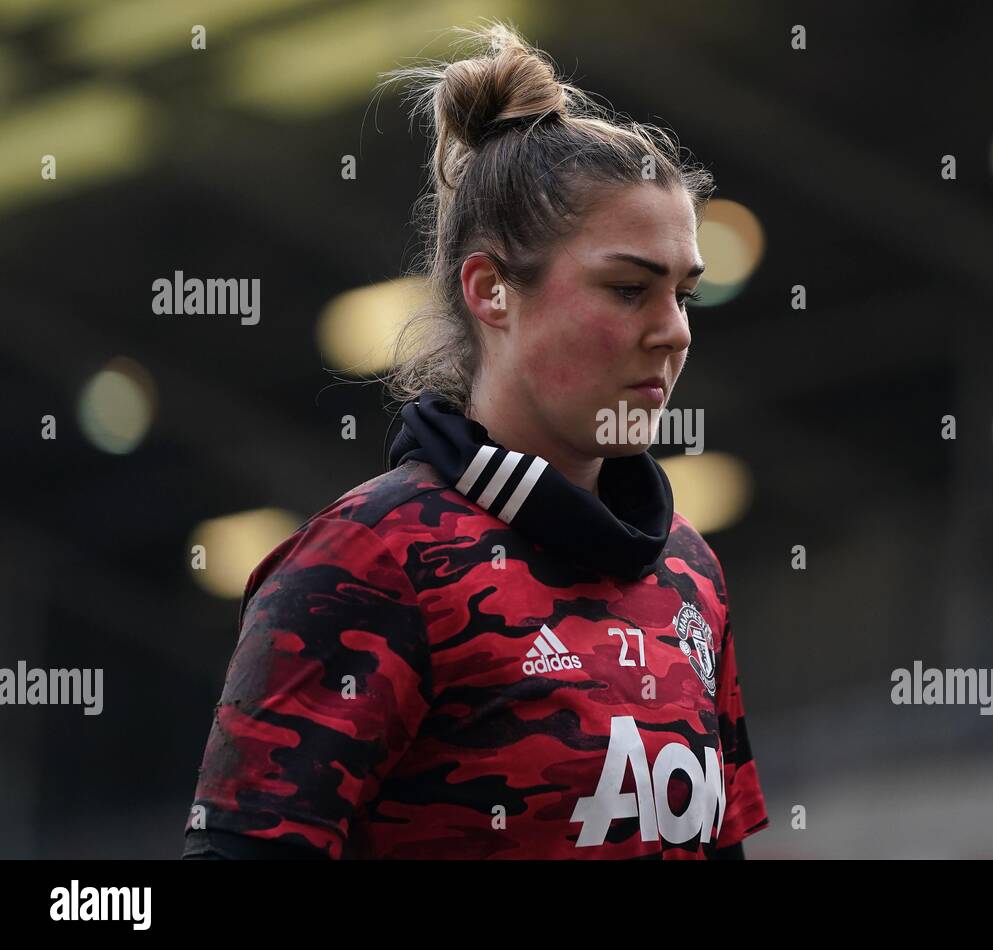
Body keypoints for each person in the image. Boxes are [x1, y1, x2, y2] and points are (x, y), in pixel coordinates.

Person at [182, 22, 768, 859]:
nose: (672, 331)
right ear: (492, 290)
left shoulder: (690, 574)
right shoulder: (366, 560)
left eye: (685, 294)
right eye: (630, 288)